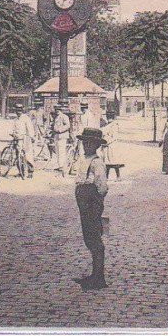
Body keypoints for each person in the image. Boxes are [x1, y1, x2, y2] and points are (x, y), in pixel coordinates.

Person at [74, 128, 109, 290]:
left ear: (96, 145)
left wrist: (96, 202)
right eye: (84, 142)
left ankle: (99, 277)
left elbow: (102, 186)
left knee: (95, 238)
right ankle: (94, 274)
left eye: (90, 143)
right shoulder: (84, 159)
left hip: (91, 201)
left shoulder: (97, 162)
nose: (86, 145)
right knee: (88, 237)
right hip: (83, 200)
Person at [12, 102, 36, 178]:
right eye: (17, 110)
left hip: (25, 139)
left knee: (27, 155)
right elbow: (15, 129)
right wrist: (13, 134)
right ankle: (21, 171)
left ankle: (30, 171)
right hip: (17, 139)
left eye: (20, 110)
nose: (18, 111)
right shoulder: (16, 119)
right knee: (18, 156)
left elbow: (30, 128)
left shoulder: (26, 118)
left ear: (22, 110)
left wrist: (31, 137)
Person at [101, 113, 124, 180]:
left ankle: (118, 177)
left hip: (112, 146)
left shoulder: (114, 126)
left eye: (109, 118)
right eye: (108, 118)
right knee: (107, 162)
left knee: (114, 162)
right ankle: (107, 177)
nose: (108, 119)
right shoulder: (108, 125)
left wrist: (107, 142)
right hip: (107, 146)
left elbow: (114, 137)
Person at [52, 104, 71, 177]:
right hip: (56, 136)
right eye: (56, 109)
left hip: (62, 136)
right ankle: (60, 165)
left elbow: (68, 125)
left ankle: (62, 167)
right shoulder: (56, 117)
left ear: (61, 110)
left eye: (58, 109)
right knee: (57, 151)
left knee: (61, 151)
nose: (57, 111)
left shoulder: (64, 117)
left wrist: (60, 130)